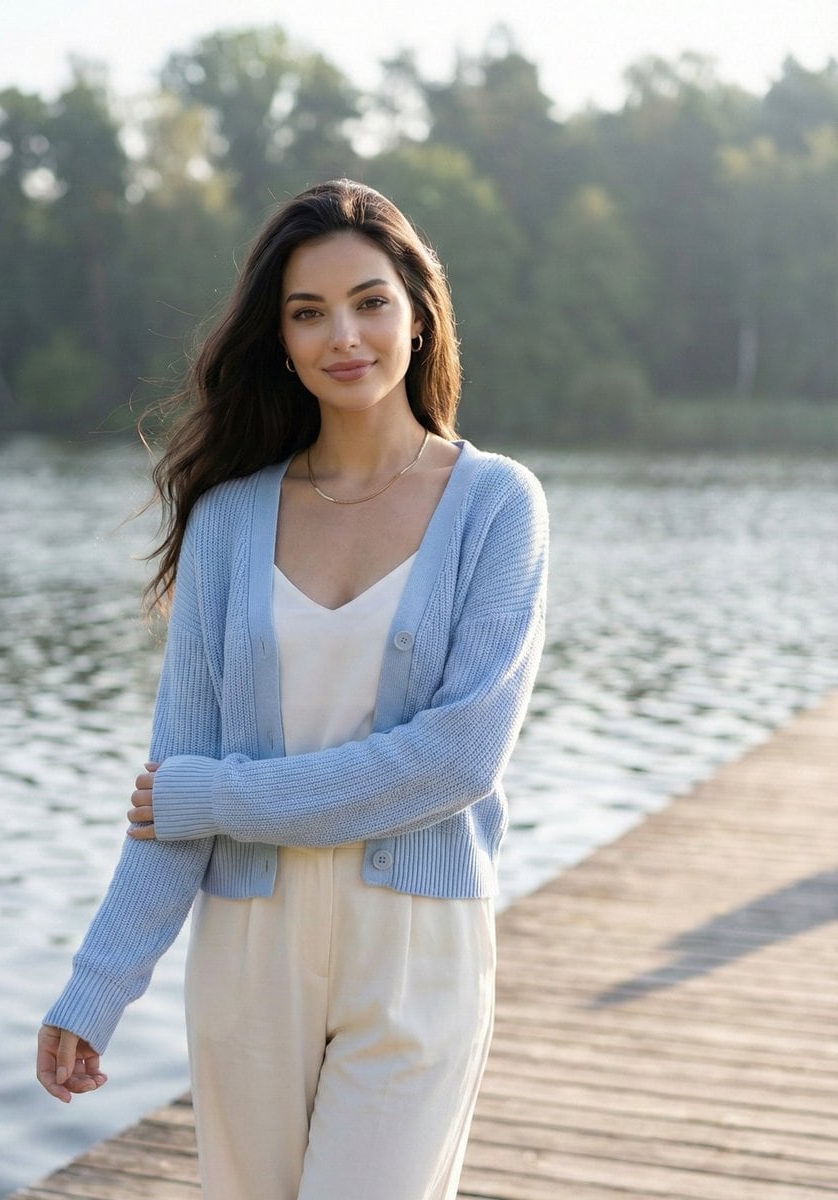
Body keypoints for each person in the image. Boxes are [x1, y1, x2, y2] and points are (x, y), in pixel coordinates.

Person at [36, 179, 548, 1200]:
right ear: (278, 339)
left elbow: (457, 759)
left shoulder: (496, 504)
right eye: (307, 314)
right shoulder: (229, 520)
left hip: (417, 943)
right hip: (249, 950)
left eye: (368, 302)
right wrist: (97, 986)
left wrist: (224, 797)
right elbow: (169, 785)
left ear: (418, 310)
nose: (343, 336)